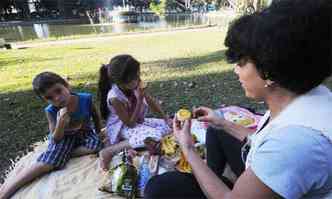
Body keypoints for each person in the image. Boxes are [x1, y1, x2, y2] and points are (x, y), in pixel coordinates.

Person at [144, 0, 332, 198]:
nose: (236, 70)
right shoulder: (308, 94)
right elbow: (262, 140)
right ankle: (217, 182)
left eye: (241, 63)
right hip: (274, 174)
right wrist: (222, 122)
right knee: (217, 131)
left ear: (269, 72)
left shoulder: (292, 145)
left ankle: (218, 186)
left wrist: (188, 148)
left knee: (159, 187)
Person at [0, 72, 103, 199]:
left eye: (58, 91)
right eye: (49, 97)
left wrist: (98, 131)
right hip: (64, 138)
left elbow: (95, 115)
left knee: (98, 145)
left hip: (84, 133)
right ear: (45, 100)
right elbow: (55, 138)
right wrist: (61, 124)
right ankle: (8, 190)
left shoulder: (85, 99)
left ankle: (65, 154)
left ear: (67, 86)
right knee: (48, 164)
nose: (57, 98)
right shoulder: (51, 111)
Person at [98, 54, 171, 171]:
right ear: (122, 82)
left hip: (137, 121)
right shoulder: (115, 97)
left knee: (167, 127)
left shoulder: (135, 83)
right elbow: (129, 124)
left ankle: (136, 142)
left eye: (138, 74)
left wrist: (166, 118)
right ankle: (109, 151)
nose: (138, 78)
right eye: (135, 77)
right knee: (155, 135)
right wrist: (139, 100)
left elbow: (150, 101)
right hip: (121, 128)